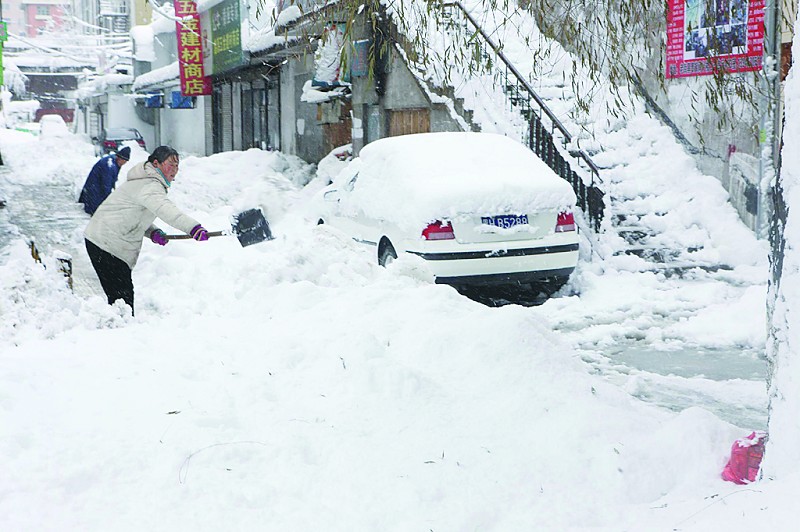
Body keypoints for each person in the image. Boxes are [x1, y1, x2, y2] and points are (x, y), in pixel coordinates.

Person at [84, 146, 210, 315]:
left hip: (102, 241)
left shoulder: (145, 182)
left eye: (177, 166)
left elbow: (130, 214)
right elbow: (167, 211)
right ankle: (120, 334)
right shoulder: (150, 185)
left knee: (120, 300)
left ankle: (118, 330)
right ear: (156, 164)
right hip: (107, 244)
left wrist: (152, 232)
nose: (174, 170)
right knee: (122, 301)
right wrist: (193, 228)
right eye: (170, 165)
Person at [78, 146, 131, 215]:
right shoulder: (109, 165)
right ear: (119, 157)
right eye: (123, 161)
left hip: (95, 190)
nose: (124, 163)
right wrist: (110, 200)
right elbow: (106, 184)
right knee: (97, 214)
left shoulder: (113, 161)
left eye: (125, 162)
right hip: (94, 192)